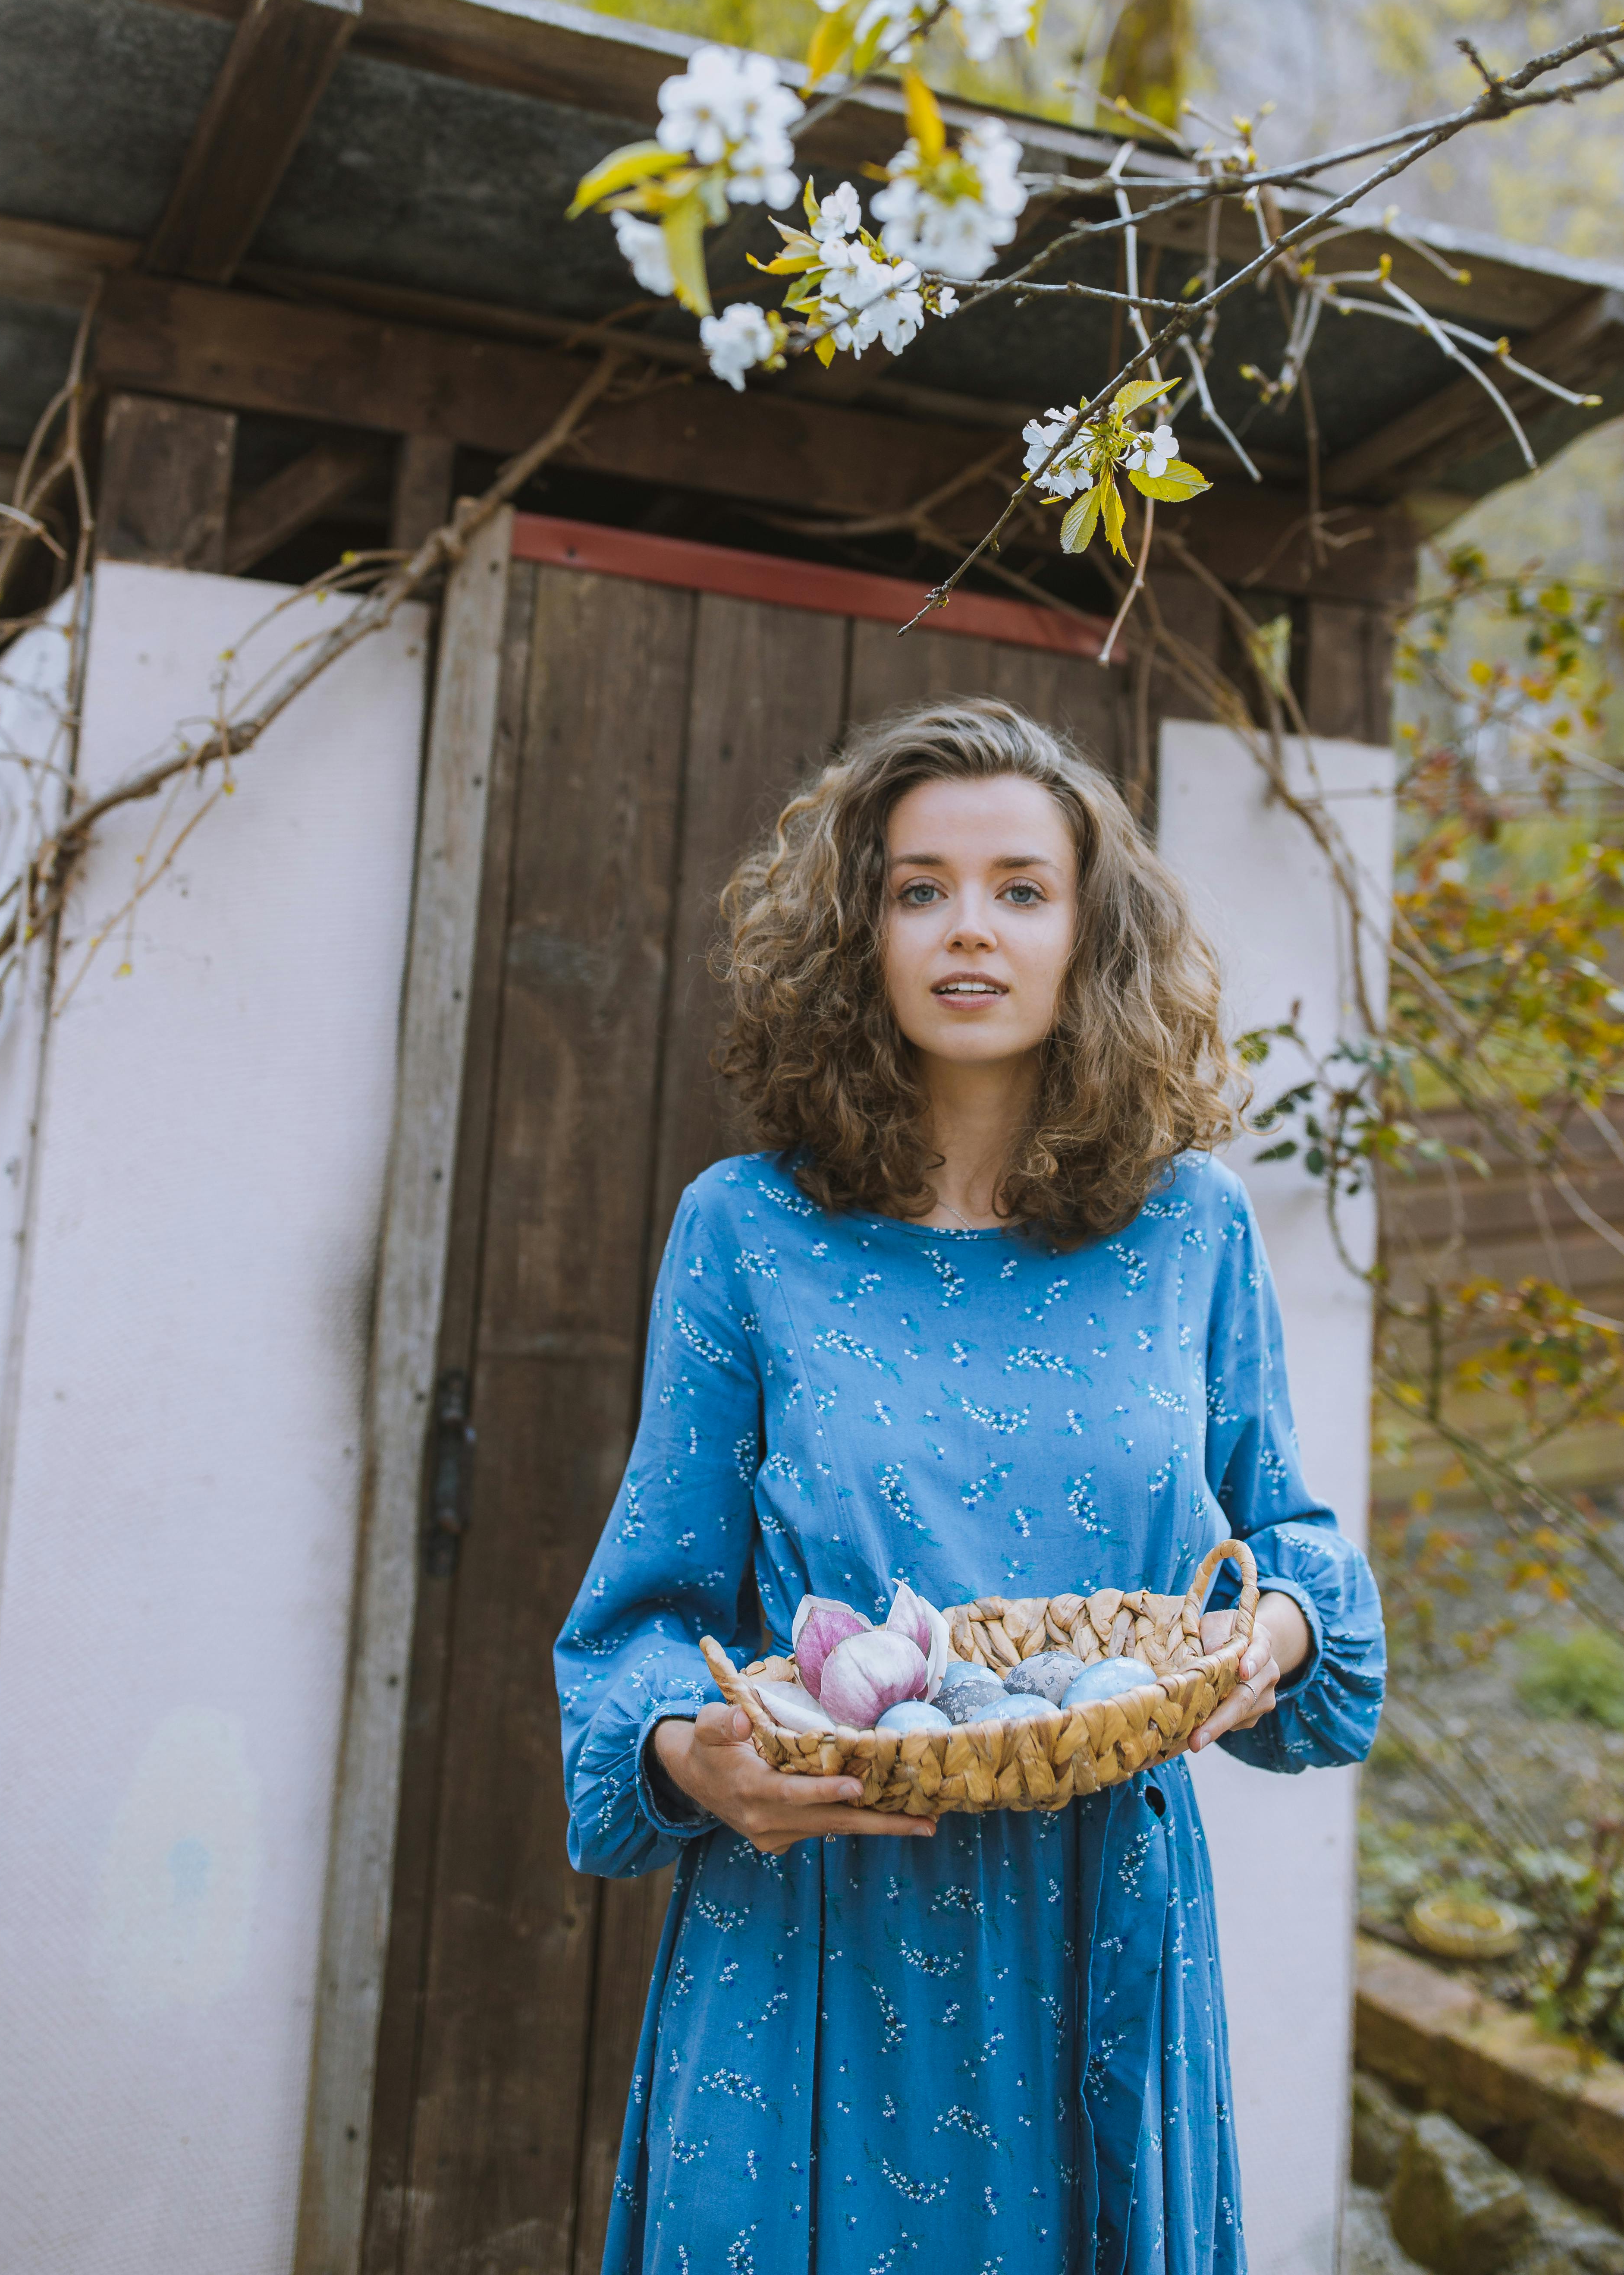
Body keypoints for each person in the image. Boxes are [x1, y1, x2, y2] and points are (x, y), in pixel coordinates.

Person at [556, 699, 1385, 2275]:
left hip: (1103, 1912)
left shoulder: (1190, 1232)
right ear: (858, 932)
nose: (968, 931)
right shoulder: (744, 1230)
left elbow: (1299, 1554)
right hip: (815, 1923)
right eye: (917, 888)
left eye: (1021, 889)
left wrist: (1264, 1640)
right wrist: (689, 1752)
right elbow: (641, 1621)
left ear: (1092, 933)